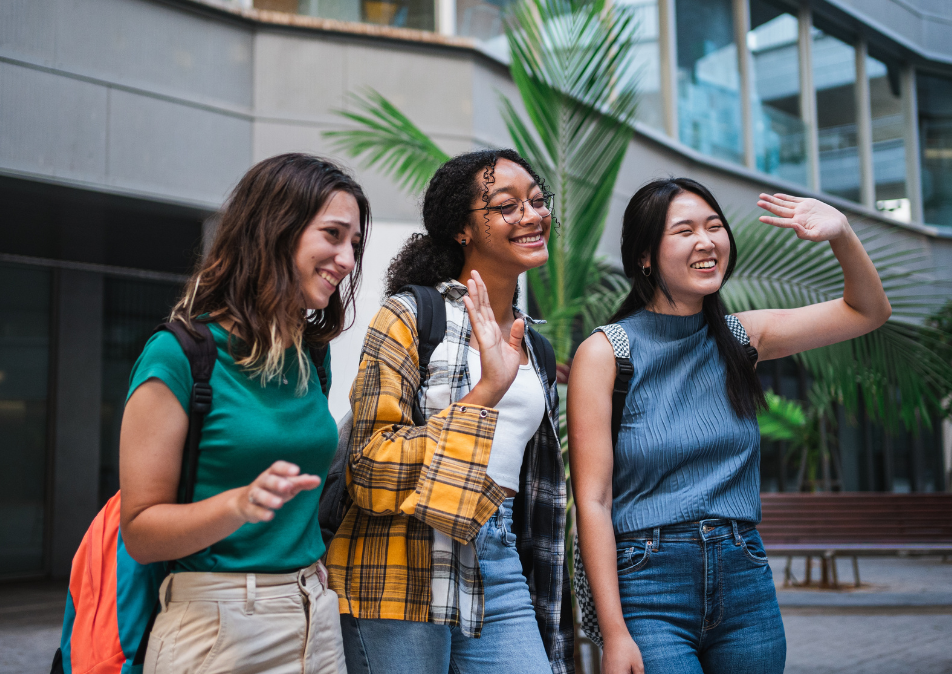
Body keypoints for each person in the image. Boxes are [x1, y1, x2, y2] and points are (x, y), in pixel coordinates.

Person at [568, 179, 891, 674]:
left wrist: (841, 232)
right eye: (685, 231)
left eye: (714, 226)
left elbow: (868, 311)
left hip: (745, 581)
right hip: (649, 585)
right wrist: (613, 634)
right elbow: (593, 500)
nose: (707, 242)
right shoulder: (607, 352)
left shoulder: (743, 337)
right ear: (645, 257)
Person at [119, 153, 370, 674]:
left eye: (354, 244)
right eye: (333, 234)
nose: (346, 259)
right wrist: (237, 504)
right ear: (275, 230)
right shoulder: (179, 355)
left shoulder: (310, 355)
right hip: (216, 630)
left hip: (314, 617)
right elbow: (140, 533)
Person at [325, 149, 574, 674]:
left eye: (536, 201)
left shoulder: (537, 347)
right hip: (400, 556)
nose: (532, 215)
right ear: (463, 230)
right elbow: (369, 465)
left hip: (499, 554)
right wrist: (485, 392)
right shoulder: (411, 317)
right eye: (507, 207)